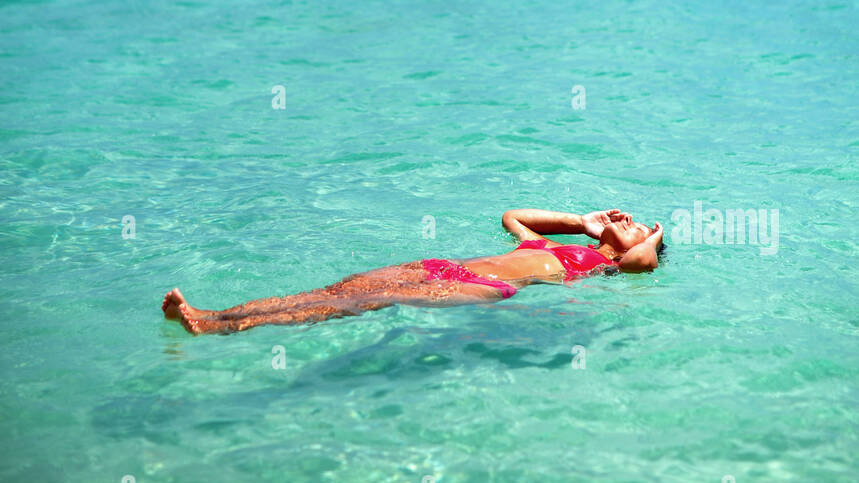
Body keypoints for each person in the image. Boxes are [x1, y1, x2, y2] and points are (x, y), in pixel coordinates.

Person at [161, 207, 663, 335]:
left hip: (487, 286)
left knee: (352, 305)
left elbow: (643, 261)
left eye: (637, 224)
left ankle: (209, 328)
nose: (629, 220)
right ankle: (216, 313)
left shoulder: (608, 266)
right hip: (445, 266)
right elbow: (514, 217)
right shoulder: (558, 242)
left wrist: (655, 237)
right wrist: (583, 222)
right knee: (337, 290)